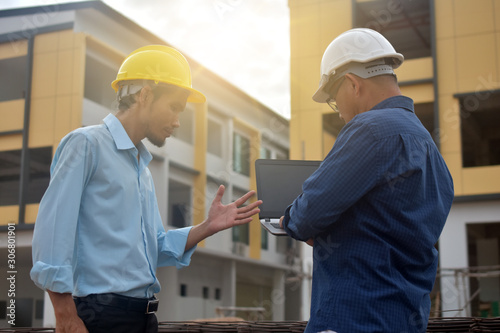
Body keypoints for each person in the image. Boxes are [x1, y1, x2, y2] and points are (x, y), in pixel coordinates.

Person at [30, 45, 262, 333]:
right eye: (174, 107)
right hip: (100, 317)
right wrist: (65, 316)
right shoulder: (86, 145)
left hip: (144, 318)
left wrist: (207, 227)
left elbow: (155, 248)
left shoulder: (142, 168)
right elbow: (53, 230)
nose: (177, 122)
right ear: (145, 95)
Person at [280, 28, 454, 333]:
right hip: (406, 320)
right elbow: (388, 225)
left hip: (354, 317)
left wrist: (289, 221)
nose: (339, 114)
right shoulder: (430, 149)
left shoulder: (370, 129)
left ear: (352, 84)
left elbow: (306, 216)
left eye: (334, 101)